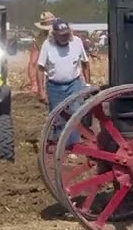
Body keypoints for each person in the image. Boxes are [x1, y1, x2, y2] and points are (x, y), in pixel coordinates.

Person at [36, 19, 92, 148]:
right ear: (54, 34)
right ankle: (58, 143)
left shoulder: (77, 42)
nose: (65, 37)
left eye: (67, 34)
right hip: (54, 85)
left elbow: (85, 63)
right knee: (57, 115)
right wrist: (41, 90)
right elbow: (40, 68)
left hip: (74, 83)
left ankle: (73, 145)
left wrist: (87, 84)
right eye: (62, 35)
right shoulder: (47, 45)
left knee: (75, 112)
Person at [28, 11, 55, 95]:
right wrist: (34, 83)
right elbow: (33, 63)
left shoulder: (62, 36)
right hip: (46, 70)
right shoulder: (38, 40)